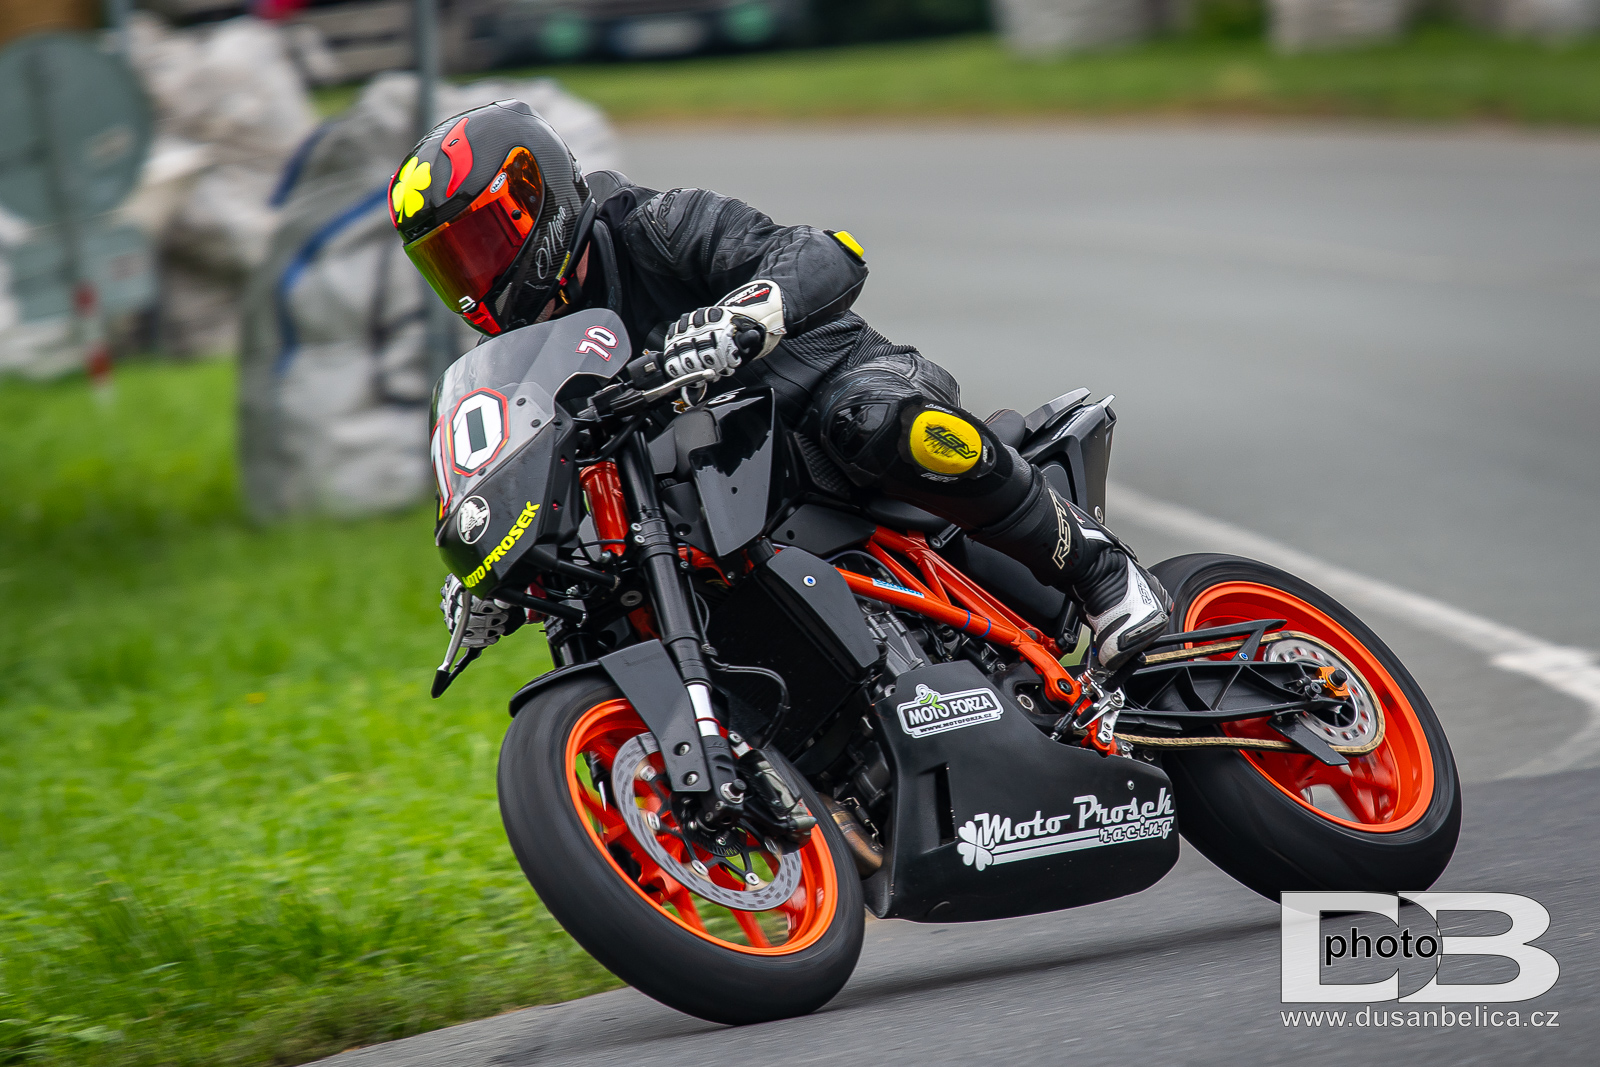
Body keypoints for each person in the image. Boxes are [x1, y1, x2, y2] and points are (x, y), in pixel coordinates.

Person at [392, 100, 1169, 673]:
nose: (475, 278)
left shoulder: (656, 224)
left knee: (870, 418)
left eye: (483, 242)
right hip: (726, 494)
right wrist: (500, 573)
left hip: (830, 398)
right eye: (451, 263)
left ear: (540, 196)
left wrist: (742, 317)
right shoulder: (531, 361)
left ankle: (1100, 569)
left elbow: (825, 253)